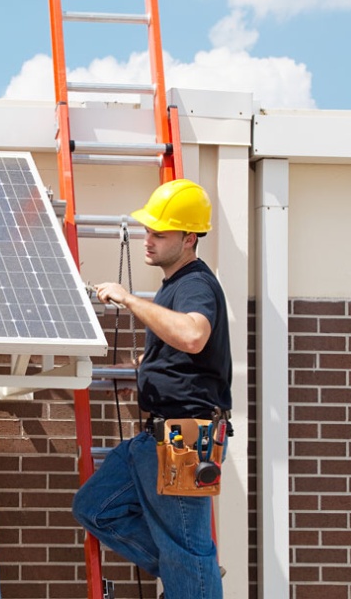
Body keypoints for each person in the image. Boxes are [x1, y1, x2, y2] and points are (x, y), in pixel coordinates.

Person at [72, 179, 232, 599]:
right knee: (94, 507)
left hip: (187, 436)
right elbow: (188, 354)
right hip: (160, 435)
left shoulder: (195, 283)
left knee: (188, 553)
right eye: (148, 230)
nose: (148, 239)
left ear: (189, 238)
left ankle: (195, 579)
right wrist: (149, 370)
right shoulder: (175, 286)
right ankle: (194, 579)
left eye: (160, 233)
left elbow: (194, 336)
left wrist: (128, 298)